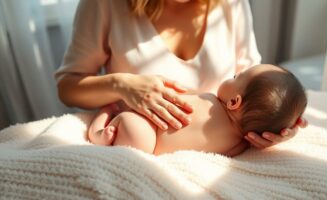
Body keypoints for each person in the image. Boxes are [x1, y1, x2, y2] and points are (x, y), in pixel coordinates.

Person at [55, 0, 307, 150]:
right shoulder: (106, 4)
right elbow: (68, 86)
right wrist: (121, 84)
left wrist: (271, 127)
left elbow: (258, 85)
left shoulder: (231, 4)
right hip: (134, 132)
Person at [87, 64, 307, 156]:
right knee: (133, 136)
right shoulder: (239, 145)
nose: (232, 76)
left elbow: (180, 100)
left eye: (235, 77)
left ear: (234, 102)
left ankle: (100, 126)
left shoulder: (210, 100)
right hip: (150, 144)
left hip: (145, 129)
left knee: (127, 122)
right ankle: (107, 127)